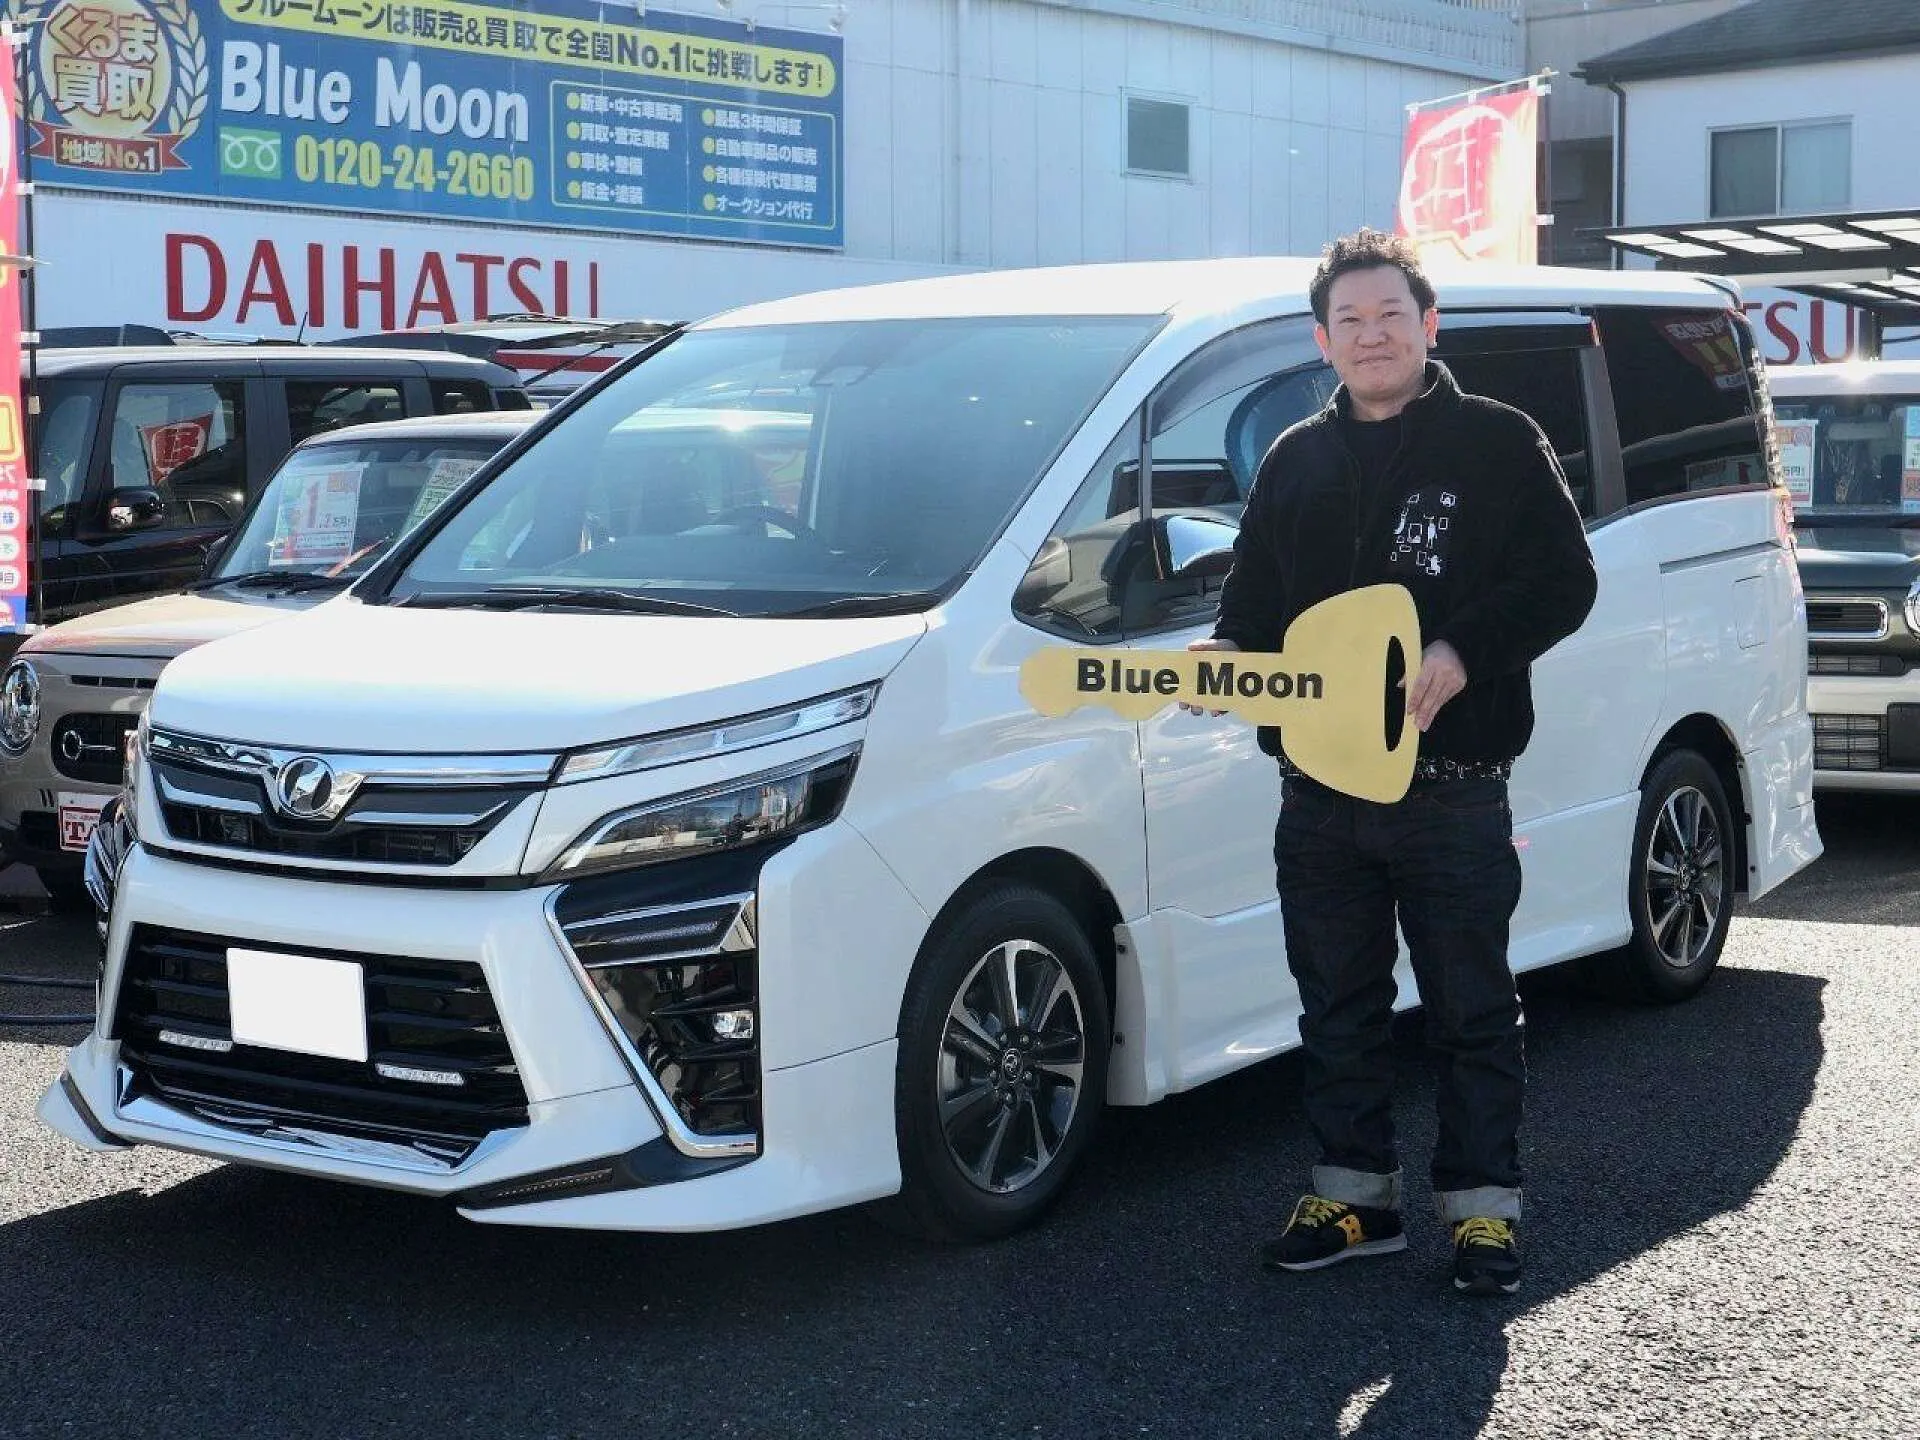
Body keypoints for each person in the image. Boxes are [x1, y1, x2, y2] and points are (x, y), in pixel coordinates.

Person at [1193, 229, 1598, 1296]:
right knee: (1336, 1007)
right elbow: (1252, 605)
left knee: (1470, 1009)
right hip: (1317, 794)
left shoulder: (1497, 442)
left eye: (1390, 315)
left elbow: (1565, 580)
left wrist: (1463, 650)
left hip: (1452, 790)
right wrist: (1225, 656)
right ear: (1322, 342)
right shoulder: (1295, 459)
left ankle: (1482, 1211)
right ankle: (1354, 1199)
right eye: (1349, 321)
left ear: (1429, 325)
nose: (1371, 335)